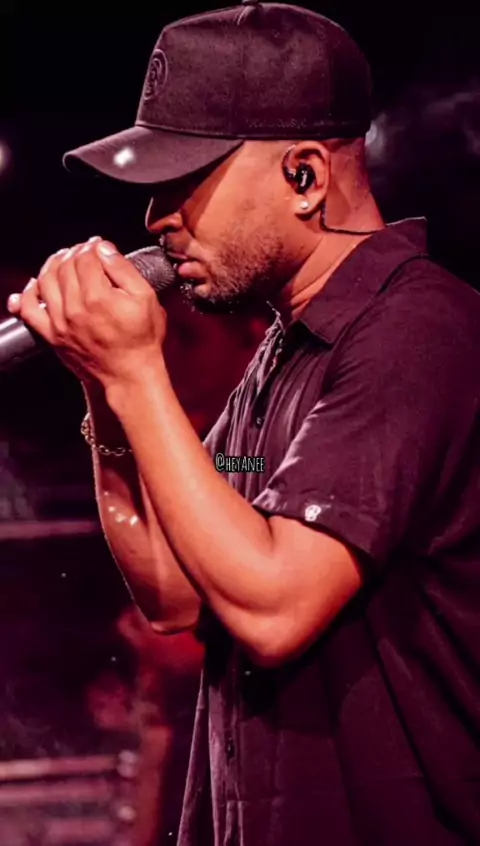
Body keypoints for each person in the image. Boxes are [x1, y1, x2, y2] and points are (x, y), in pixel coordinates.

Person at [7, 2, 480, 844]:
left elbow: (273, 610)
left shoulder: (418, 332)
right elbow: (175, 592)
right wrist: (103, 388)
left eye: (186, 180)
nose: (156, 217)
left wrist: (135, 370)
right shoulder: (284, 352)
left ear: (304, 177)